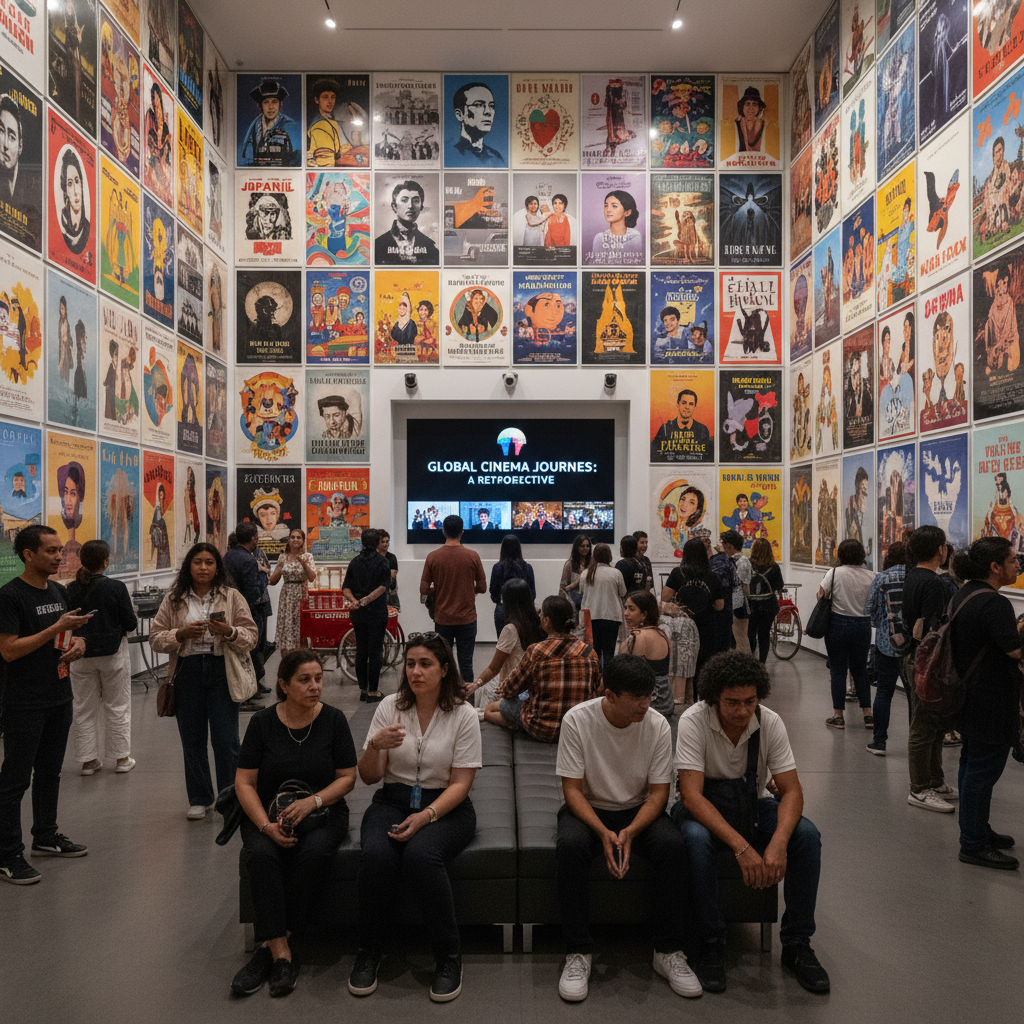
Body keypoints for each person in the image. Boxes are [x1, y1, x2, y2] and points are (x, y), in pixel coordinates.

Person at [675, 651, 830, 995]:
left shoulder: (769, 722)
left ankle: (797, 943)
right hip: (704, 810)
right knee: (696, 841)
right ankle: (711, 943)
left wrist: (778, 843)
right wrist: (742, 847)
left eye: (750, 701)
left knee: (806, 835)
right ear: (714, 698)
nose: (742, 711)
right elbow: (691, 796)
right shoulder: (693, 721)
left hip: (751, 805)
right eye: (732, 702)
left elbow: (791, 791)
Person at [554, 654, 700, 1003]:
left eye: (648, 696)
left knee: (672, 846)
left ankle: (668, 950)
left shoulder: (657, 724)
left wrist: (631, 830)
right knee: (571, 846)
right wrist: (603, 832)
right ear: (610, 695)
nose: (645, 705)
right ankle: (578, 952)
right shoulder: (578, 720)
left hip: (638, 808)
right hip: (589, 807)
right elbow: (572, 790)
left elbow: (659, 793)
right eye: (636, 698)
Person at [349, 634, 481, 1002]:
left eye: (425, 664)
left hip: (446, 807)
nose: (416, 672)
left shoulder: (463, 714)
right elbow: (370, 777)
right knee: (376, 855)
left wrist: (425, 816)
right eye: (410, 664)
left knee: (422, 856)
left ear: (444, 669)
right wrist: (375, 746)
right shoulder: (389, 707)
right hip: (392, 800)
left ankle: (449, 956)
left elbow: (462, 783)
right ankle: (368, 951)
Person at [231, 651, 358, 997]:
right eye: (305, 680)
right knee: (262, 856)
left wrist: (313, 801)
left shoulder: (333, 720)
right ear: (284, 685)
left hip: (323, 812)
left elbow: (347, 778)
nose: (315, 686)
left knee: (313, 854)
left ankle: (271, 948)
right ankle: (282, 954)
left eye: (318, 678)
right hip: (269, 813)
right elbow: (244, 782)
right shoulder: (262, 723)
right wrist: (265, 825)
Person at [0, 525, 89, 884]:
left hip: (59, 694)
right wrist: (55, 629)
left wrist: (77, 644)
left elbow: (65, 637)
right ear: (28, 555)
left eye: (59, 550)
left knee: (50, 772)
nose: (58, 556)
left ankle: (46, 836)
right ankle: (7, 854)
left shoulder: (58, 591)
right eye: (50, 551)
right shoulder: (10, 596)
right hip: (24, 701)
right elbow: (9, 650)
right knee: (15, 780)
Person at [150, 543, 258, 820]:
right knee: (192, 738)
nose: (203, 568)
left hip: (222, 669)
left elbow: (251, 636)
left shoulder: (231, 596)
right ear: (189, 566)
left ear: (217, 567)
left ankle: (230, 797)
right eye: (197, 562)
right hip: (186, 671)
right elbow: (155, 638)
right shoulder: (174, 599)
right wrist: (180, 634)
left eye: (209, 562)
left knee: (227, 740)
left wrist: (230, 631)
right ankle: (200, 798)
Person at [948, 538, 1023, 869]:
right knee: (982, 771)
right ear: (994, 567)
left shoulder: (965, 593)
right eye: (1012, 559)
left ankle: (976, 829)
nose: (1018, 564)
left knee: (971, 765)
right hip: (990, 700)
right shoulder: (995, 604)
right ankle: (973, 843)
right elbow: (1015, 651)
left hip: (969, 697)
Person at [66, 540, 138, 776]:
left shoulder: (70, 589)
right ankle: (121, 758)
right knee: (117, 705)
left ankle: (88, 762)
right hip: (113, 654)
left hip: (79, 654)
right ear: (106, 561)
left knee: (82, 708)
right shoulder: (116, 587)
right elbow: (130, 623)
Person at [486, 595, 601, 741]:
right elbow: (595, 688)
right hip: (576, 727)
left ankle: (518, 726)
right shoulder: (590, 653)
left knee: (490, 710)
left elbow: (510, 689)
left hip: (541, 729)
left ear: (546, 620)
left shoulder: (536, 651)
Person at [901, 525, 959, 812]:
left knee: (934, 724)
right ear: (940, 549)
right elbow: (931, 627)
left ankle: (935, 780)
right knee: (923, 725)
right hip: (927, 661)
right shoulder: (933, 583)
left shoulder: (913, 576)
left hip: (916, 657)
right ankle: (920, 787)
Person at [420, 515, 487, 683]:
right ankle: (468, 697)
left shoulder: (433, 557)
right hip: (467, 618)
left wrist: (440, 589)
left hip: (443, 618)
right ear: (462, 532)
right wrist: (466, 589)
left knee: (443, 663)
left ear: (443, 531)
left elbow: (424, 589)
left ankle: (445, 695)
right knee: (466, 664)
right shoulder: (473, 556)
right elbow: (482, 588)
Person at [818, 539, 874, 730]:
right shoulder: (871, 576)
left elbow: (821, 595)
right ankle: (868, 715)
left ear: (841, 554)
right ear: (862, 555)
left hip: (838, 624)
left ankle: (838, 716)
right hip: (863, 625)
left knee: (838, 670)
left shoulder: (834, 573)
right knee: (860, 670)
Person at [466, 579, 544, 708]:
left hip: (516, 692)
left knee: (486, 700)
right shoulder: (539, 622)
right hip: (536, 689)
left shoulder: (511, 629)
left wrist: (476, 684)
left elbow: (494, 668)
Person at [864, 540, 909, 756]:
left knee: (884, 692)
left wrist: (880, 624)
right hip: (911, 647)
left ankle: (879, 742)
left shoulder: (882, 578)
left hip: (886, 644)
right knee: (914, 696)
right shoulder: (915, 577)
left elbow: (869, 608)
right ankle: (916, 744)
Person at [661, 538, 726, 688]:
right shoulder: (712, 576)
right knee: (704, 663)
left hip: (682, 626)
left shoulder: (678, 573)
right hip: (707, 626)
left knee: (684, 663)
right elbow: (719, 606)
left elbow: (665, 597)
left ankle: (685, 694)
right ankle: (702, 693)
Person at [224, 523, 271, 707]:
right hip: (247, 612)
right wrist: (263, 577)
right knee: (250, 652)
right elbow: (253, 593)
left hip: (230, 610)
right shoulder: (249, 560)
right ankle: (246, 696)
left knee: (237, 653)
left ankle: (242, 693)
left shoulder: (228, 556)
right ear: (254, 538)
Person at [342, 528, 390, 704]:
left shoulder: (354, 562)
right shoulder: (382, 562)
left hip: (358, 613)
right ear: (377, 542)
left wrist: (355, 601)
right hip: (377, 612)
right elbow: (383, 587)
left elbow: (345, 587)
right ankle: (373, 691)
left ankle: (363, 689)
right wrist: (366, 600)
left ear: (362, 542)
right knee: (375, 651)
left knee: (361, 649)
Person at [620, 591, 673, 719]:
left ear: (644, 614)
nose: (626, 613)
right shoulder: (662, 634)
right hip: (666, 702)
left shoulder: (638, 637)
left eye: (632, 609)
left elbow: (628, 676)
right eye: (626, 608)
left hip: (648, 706)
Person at [0, 92, 42, 251]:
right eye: (1, 130)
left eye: (12, 136)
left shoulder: (33, 208)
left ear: (20, 146)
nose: (5, 144)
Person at [267, 528, 316, 658]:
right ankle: (287, 658)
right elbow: (273, 580)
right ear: (288, 540)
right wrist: (263, 571)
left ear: (303, 540)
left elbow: (312, 577)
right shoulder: (283, 557)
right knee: (287, 626)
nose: (295, 539)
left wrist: (303, 563)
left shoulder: (308, 556)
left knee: (300, 625)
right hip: (287, 595)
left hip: (301, 594)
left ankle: (301, 658)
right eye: (293, 537)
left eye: (298, 537)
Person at [579, 543, 626, 668]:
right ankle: (608, 678)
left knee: (594, 653)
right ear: (609, 556)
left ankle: (596, 677)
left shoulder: (586, 573)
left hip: (590, 617)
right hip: (612, 616)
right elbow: (623, 593)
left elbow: (581, 591)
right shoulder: (616, 573)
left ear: (594, 556)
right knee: (609, 653)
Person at [374, 179, 439, 264]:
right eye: (404, 200)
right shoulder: (377, 245)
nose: (410, 206)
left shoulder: (431, 247)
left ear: (421, 207)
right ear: (394, 207)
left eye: (416, 201)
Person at [241, 78, 298, 166]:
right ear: (259, 106)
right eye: (266, 102)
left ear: (280, 104)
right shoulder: (255, 125)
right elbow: (247, 157)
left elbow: (295, 159)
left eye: (274, 102)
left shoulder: (289, 125)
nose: (271, 107)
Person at [488, 533, 536, 634]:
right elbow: (532, 593)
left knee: (503, 641)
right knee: (523, 641)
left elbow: (493, 592)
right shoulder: (527, 568)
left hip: (503, 609)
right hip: (523, 611)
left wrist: (500, 601)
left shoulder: (497, 568)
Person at [747, 538, 784, 663]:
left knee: (750, 633)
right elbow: (779, 585)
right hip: (768, 605)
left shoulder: (748, 565)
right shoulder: (774, 567)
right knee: (764, 635)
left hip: (751, 605)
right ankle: (762, 663)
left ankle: (750, 661)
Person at [450, 82, 504, 165]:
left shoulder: (497, 157)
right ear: (460, 115)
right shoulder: (448, 153)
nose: (488, 112)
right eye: (479, 105)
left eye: (491, 106)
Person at [720, 530, 752, 655]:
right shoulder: (730, 560)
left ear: (729, 545)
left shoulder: (742, 561)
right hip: (730, 602)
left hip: (738, 604)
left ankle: (745, 664)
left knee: (740, 638)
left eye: (723, 544)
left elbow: (745, 586)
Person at [590, 189, 642, 262]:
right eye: (606, 206)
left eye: (614, 206)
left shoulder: (635, 236)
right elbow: (598, 264)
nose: (608, 210)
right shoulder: (600, 238)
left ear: (627, 212)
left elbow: (634, 262)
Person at [58, 147, 90, 256]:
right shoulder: (61, 226)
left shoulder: (87, 228)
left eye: (77, 181)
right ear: (65, 190)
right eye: (70, 184)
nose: (76, 192)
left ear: (81, 184)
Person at [559, 533, 591, 619]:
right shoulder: (570, 564)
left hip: (589, 604)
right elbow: (563, 587)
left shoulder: (592, 564)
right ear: (577, 547)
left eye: (587, 546)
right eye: (582, 546)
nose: (585, 548)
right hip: (573, 606)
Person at [378, 529, 400, 611]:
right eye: (382, 542)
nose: (385, 544)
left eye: (387, 541)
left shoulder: (391, 557)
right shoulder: (372, 558)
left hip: (390, 596)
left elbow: (391, 576)